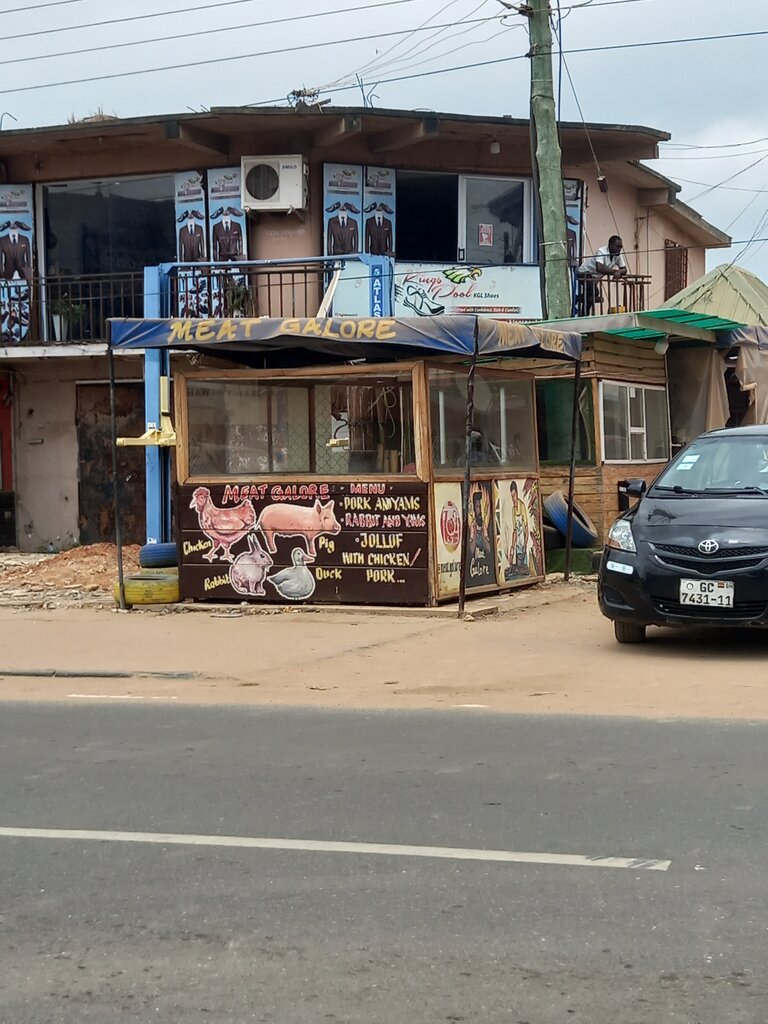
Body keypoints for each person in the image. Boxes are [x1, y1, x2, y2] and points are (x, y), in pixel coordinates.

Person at [576, 234, 627, 315]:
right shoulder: (601, 251)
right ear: (610, 245)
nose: (619, 249)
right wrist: (614, 272)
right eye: (617, 246)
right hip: (584, 272)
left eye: (621, 247)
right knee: (594, 293)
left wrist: (620, 272)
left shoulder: (618, 255)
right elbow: (599, 268)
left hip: (593, 277)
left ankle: (581, 307)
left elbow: (624, 269)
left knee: (591, 295)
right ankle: (582, 309)